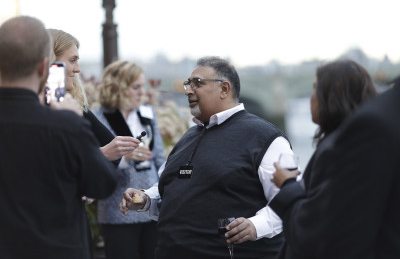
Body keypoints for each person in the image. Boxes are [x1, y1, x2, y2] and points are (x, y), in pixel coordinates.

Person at [121, 56, 295, 259]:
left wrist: (255, 225)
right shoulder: (188, 137)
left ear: (224, 89)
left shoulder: (265, 138)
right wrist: (144, 199)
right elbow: (168, 192)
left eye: (198, 83)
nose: (187, 90)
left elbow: (289, 201)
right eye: (188, 83)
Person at [0, 16, 118, 259]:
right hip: (59, 247)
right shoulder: (65, 123)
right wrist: (73, 122)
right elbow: (103, 183)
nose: (76, 68)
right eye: (72, 61)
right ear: (45, 67)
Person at [267, 60, 400, 259]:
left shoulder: (336, 150)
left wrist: (287, 185)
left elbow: (316, 231)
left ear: (329, 98)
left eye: (315, 89)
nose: (311, 97)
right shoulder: (362, 141)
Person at [92, 60, 165, 259]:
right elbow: (94, 164)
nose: (142, 92)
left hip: (150, 204)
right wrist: (123, 158)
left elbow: (159, 158)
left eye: (143, 86)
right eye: (136, 87)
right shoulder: (98, 118)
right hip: (117, 210)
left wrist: (165, 195)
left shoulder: (147, 114)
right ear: (117, 88)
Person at [47, 29, 139, 167]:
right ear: (50, 62)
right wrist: (101, 154)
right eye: (72, 60)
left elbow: (111, 151)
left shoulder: (74, 106)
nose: (77, 69)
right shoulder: (33, 110)